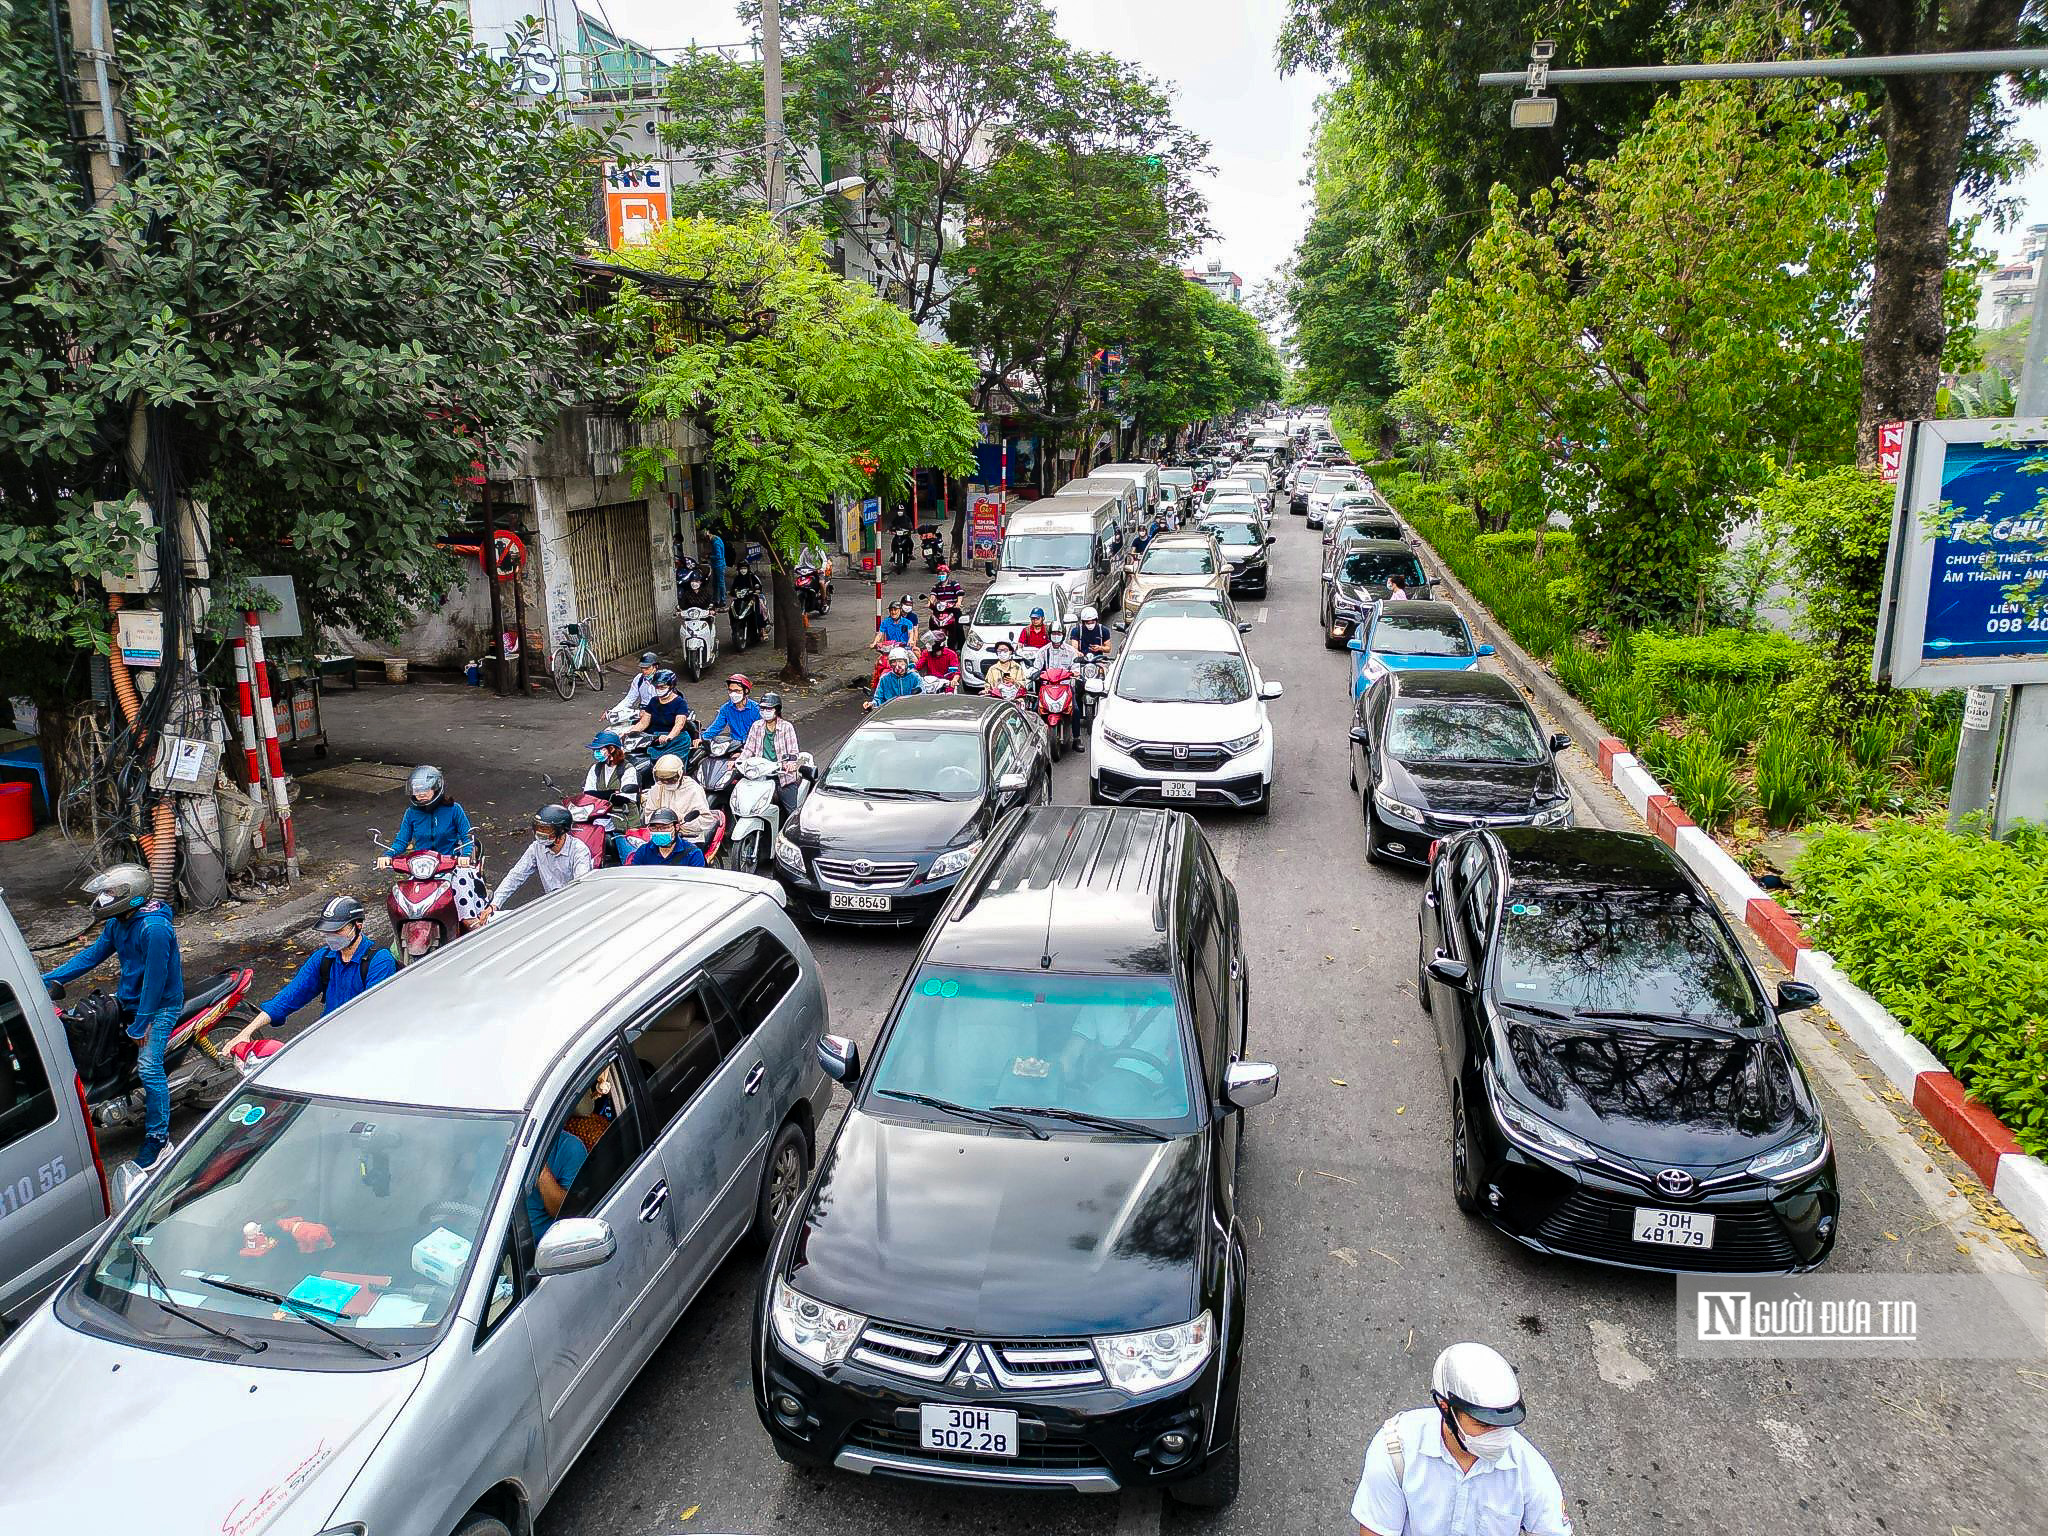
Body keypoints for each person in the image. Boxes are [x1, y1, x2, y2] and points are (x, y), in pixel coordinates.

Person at [41, 865, 183, 1169]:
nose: (104, 899)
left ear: (130, 897)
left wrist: (141, 1023)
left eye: (110, 894)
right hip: (130, 999)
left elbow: (155, 982)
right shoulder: (120, 923)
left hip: (159, 1006)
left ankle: (159, 1140)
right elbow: (91, 956)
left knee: (149, 1068)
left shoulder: (153, 928)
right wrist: (45, 980)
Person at [1351, 1343, 1572, 1536]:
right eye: (1483, 1424)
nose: (1498, 1436)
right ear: (1446, 1408)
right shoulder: (1395, 1452)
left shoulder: (1529, 1470)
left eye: (1504, 1425)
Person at [227, 897, 395, 1052]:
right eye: (327, 932)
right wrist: (247, 1031)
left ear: (358, 925)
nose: (331, 937)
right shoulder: (323, 958)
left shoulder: (380, 961)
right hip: (327, 1037)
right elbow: (289, 996)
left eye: (337, 931)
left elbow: (373, 1016)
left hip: (364, 1044)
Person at [378, 764, 485, 926]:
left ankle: (472, 923)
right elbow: (401, 841)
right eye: (416, 790)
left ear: (436, 789)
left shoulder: (454, 809)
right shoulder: (411, 813)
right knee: (405, 903)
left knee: (463, 889)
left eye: (425, 790)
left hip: (451, 865)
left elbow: (466, 836)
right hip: (421, 867)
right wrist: (387, 856)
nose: (420, 794)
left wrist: (465, 856)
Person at [479, 805, 593, 922]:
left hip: (573, 908)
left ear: (561, 832)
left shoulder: (579, 850)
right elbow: (515, 876)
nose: (540, 833)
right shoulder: (536, 848)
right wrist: (494, 904)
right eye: (538, 829)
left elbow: (580, 887)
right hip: (550, 906)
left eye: (546, 830)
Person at [741, 692, 805, 817]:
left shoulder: (787, 727)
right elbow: (748, 750)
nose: (765, 711)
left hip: (782, 777)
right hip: (761, 776)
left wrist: (790, 764)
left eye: (769, 708)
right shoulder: (756, 726)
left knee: (792, 814)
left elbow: (793, 753)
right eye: (763, 708)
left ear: (777, 710)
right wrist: (738, 761)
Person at [640, 752, 713, 840]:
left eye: (670, 779)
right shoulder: (657, 788)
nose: (666, 782)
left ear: (680, 774)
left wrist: (680, 823)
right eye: (663, 779)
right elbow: (648, 814)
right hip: (660, 837)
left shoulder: (694, 789)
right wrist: (662, 824)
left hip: (688, 838)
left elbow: (706, 820)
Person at [631, 668, 693, 758]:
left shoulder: (680, 702)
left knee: (667, 768)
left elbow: (679, 724)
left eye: (662, 687)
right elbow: (643, 723)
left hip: (676, 742)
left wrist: (669, 737)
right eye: (657, 687)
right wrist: (628, 733)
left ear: (671, 686)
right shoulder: (653, 701)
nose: (659, 690)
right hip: (654, 740)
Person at [627, 807, 707, 868]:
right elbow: (635, 876)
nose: (659, 831)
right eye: (654, 828)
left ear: (677, 827)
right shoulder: (643, 851)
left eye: (665, 827)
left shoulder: (693, 853)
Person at [700, 673, 762, 747]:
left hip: (754, 746)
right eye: (730, 691)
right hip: (734, 745)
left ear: (746, 691)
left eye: (737, 691)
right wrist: (702, 738)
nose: (733, 694)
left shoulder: (756, 709)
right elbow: (716, 726)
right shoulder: (725, 708)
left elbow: (761, 733)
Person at [582, 731, 642, 802]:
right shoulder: (595, 768)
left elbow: (624, 799)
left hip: (623, 811)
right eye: (595, 749)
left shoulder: (628, 769)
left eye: (599, 749)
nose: (596, 752)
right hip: (600, 811)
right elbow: (588, 795)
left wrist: (599, 795)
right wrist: (612, 792)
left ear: (611, 749)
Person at [614, 651, 661, 717]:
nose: (644, 671)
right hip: (643, 712)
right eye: (642, 668)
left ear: (655, 667)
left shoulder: (664, 680)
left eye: (647, 668)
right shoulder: (639, 678)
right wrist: (613, 711)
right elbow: (629, 698)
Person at [709, 528, 728, 608]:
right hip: (717, 565)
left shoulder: (716, 543)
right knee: (715, 583)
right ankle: (716, 599)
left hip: (719, 565)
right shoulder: (717, 539)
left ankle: (722, 600)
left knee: (720, 583)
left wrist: (709, 556)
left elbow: (718, 556)